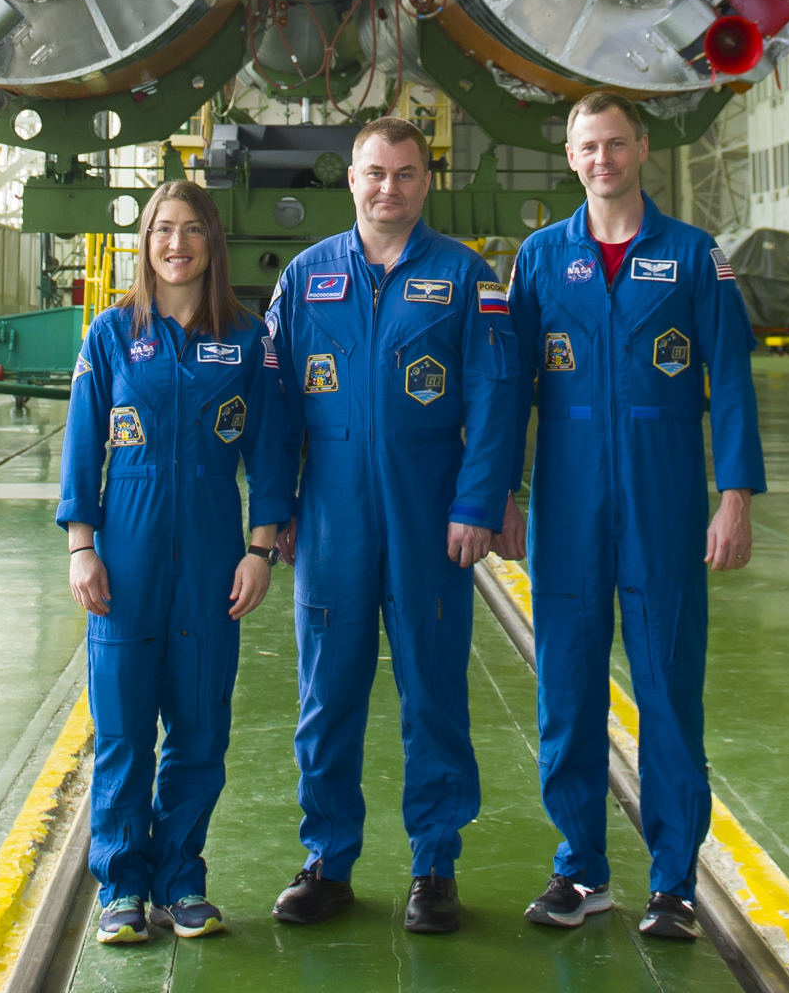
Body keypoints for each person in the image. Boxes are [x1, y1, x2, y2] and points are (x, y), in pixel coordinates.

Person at [497, 92, 765, 943]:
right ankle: (580, 869)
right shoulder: (540, 259)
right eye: (587, 146)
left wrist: (734, 499)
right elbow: (510, 392)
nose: (601, 159)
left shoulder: (693, 257)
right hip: (568, 497)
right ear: (569, 156)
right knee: (566, 692)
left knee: (667, 691)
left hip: (664, 494)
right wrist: (501, 493)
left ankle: (674, 884)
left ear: (641, 149)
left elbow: (730, 383)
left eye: (615, 143)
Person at [267, 116, 519, 936]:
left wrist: (478, 503)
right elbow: (275, 413)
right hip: (332, 516)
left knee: (433, 692)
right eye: (374, 173)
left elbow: (494, 397)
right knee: (325, 694)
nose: (388, 188)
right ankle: (327, 859)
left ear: (425, 183)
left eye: (405, 174)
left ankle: (433, 865)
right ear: (349, 180)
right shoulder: (305, 279)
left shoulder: (463, 276)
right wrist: (274, 517)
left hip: (426, 513)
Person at [58, 180, 292, 945]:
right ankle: (122, 885)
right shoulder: (111, 335)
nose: (176, 243)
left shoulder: (249, 339)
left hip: (212, 547)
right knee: (124, 728)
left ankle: (181, 880)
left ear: (212, 243)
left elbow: (269, 453)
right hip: (125, 548)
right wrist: (81, 545)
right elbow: (83, 447)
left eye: (192, 229)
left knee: (198, 728)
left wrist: (260, 551)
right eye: (163, 228)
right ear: (145, 242)